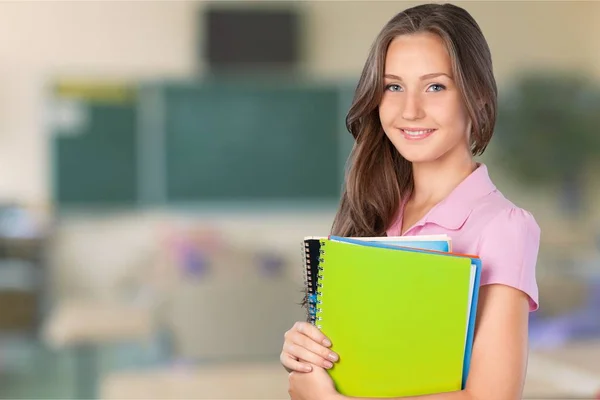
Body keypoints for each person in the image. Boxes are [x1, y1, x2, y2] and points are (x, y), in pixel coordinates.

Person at [281, 3, 542, 400]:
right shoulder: (373, 209)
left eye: (435, 86)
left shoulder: (504, 227)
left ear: (479, 97)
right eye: (393, 86)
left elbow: (490, 398)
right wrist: (307, 355)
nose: (410, 110)